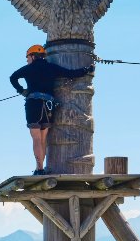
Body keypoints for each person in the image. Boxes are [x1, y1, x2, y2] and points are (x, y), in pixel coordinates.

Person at [9, 45, 94, 175]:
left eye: (28, 58)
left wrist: (22, 91)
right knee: (43, 138)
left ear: (32, 56)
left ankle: (39, 168)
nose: (27, 60)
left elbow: (13, 77)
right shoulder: (51, 67)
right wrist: (87, 69)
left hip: (34, 104)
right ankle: (40, 168)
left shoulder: (28, 69)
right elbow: (71, 73)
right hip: (49, 105)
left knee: (36, 139)